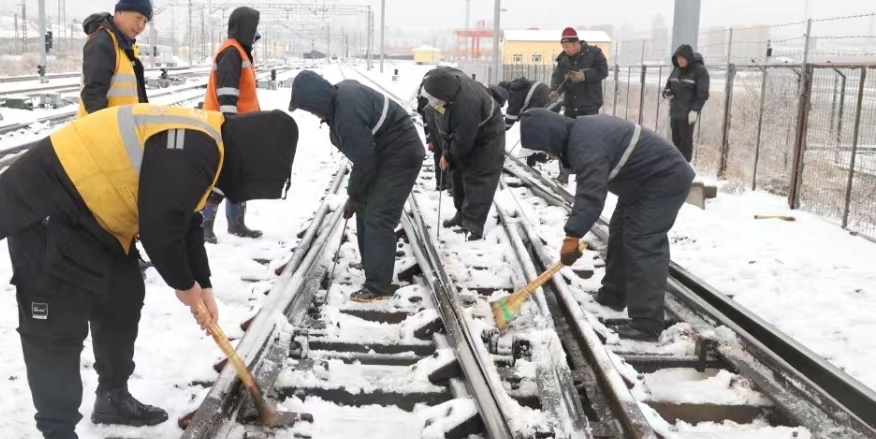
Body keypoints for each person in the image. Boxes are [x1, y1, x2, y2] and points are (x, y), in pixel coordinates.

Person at [0, 104, 299, 439]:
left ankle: (112, 397)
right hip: (49, 205)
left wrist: (205, 286)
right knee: (55, 332)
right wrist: (187, 290)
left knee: (122, 294)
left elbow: (185, 221)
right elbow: (161, 226)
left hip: (95, 215)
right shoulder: (197, 145)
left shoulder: (208, 147)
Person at [519, 108, 694, 343]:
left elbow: (591, 194)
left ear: (550, 136)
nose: (549, 155)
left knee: (643, 243)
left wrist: (572, 236)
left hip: (664, 180)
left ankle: (648, 323)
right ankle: (613, 295)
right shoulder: (580, 133)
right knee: (621, 232)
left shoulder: (586, 142)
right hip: (642, 183)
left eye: (546, 149)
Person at [290, 70, 424, 302]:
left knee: (379, 215)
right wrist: (358, 198)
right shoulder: (340, 96)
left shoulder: (346, 115)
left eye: (310, 108)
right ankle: (372, 266)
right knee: (365, 209)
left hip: (400, 156)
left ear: (317, 101)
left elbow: (364, 161)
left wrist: (354, 194)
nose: (312, 114)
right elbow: (366, 158)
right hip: (385, 154)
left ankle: (379, 287)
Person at [421, 67, 506, 240]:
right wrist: (447, 154)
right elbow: (446, 130)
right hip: (466, 131)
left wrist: (448, 155)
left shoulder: (467, 104)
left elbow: (463, 141)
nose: (431, 102)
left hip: (488, 133)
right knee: (457, 170)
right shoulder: (443, 97)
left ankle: (473, 224)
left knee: (479, 175)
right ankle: (461, 214)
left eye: (433, 99)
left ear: (444, 97)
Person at [202, 7, 263, 243]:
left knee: (239, 177)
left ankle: (237, 224)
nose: (256, 33)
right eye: (253, 27)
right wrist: (231, 126)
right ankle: (204, 225)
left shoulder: (241, 51)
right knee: (222, 176)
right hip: (227, 126)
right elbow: (227, 93)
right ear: (244, 27)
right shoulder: (231, 52)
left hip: (241, 126)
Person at [77, 0, 152, 118]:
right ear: (120, 11)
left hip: (122, 133)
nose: (141, 26)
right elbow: (93, 96)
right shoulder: (102, 42)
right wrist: (107, 134)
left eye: (145, 22)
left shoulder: (124, 48)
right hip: (104, 135)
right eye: (138, 18)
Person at [663, 44, 710, 163]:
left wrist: (695, 110)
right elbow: (668, 85)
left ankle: (685, 165)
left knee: (686, 140)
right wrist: (666, 92)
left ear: (689, 58)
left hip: (688, 113)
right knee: (675, 138)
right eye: (678, 58)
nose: (680, 61)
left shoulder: (700, 71)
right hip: (674, 111)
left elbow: (702, 93)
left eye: (682, 58)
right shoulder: (676, 69)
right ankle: (677, 164)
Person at [548, 27, 608, 117]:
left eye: (567, 47)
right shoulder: (563, 60)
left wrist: (584, 76)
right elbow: (558, 79)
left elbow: (603, 71)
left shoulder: (594, 53)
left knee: (587, 130)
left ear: (576, 43)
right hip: (570, 108)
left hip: (589, 108)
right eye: (563, 47)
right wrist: (555, 91)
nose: (565, 50)